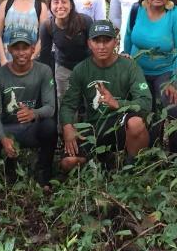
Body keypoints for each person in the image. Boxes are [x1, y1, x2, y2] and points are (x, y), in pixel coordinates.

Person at [59, 20, 151, 171]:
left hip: (121, 125)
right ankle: (104, 161)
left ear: (115, 42)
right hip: (94, 127)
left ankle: (131, 168)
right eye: (96, 41)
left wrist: (118, 104)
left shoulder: (129, 66)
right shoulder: (81, 70)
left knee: (136, 124)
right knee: (68, 163)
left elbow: (146, 102)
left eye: (106, 40)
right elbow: (68, 105)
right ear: (89, 43)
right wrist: (68, 128)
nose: (101, 46)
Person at [0, 31, 57, 186]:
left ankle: (44, 170)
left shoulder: (44, 71)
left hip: (32, 128)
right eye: (16, 48)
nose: (21, 53)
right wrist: (3, 138)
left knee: (50, 126)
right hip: (9, 128)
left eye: (25, 47)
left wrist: (34, 113)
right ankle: (9, 167)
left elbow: (50, 107)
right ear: (9, 49)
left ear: (33, 49)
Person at [123, 0, 177, 149]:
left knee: (175, 108)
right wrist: (125, 59)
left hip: (166, 70)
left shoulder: (175, 14)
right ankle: (149, 152)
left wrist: (176, 80)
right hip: (138, 70)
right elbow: (128, 36)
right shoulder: (137, 9)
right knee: (145, 111)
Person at [38, 0, 93, 102]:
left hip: (87, 66)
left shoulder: (85, 21)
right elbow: (45, 56)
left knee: (91, 101)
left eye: (64, 1)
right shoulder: (47, 26)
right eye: (56, 2)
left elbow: (95, 47)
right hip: (64, 67)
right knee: (65, 102)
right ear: (50, 6)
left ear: (71, 5)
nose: (60, 6)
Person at [0, 0, 48, 65]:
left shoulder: (41, 7)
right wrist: (3, 59)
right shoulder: (5, 5)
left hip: (30, 62)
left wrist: (32, 58)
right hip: (7, 61)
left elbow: (43, 36)